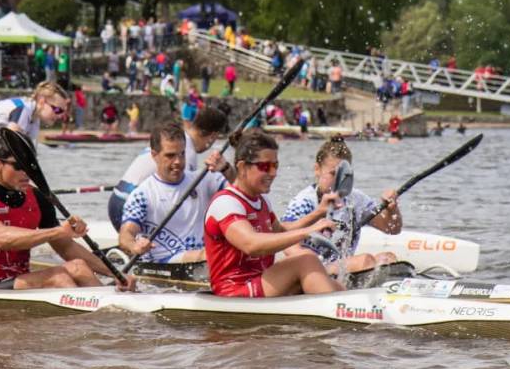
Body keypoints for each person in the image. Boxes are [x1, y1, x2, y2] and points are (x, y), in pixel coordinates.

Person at [0, 129, 135, 291]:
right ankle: (84, 323)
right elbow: (1, 238)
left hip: (19, 279)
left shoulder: (37, 198)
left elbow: (66, 247)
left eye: (30, 164)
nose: (26, 172)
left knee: (78, 266)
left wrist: (115, 274)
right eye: (19, 166)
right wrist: (58, 231)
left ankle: (107, 312)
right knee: (58, 278)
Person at [204, 129, 344, 298]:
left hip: (260, 281)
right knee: (307, 259)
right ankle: (340, 312)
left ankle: (355, 309)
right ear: (242, 167)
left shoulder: (261, 201)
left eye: (275, 166)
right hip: (234, 290)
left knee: (333, 283)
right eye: (265, 166)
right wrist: (309, 231)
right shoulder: (226, 203)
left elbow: (281, 231)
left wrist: (319, 213)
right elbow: (251, 245)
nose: (273, 173)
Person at [282, 138, 402, 275]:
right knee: (365, 261)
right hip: (313, 270)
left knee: (389, 258)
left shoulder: (356, 199)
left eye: (344, 175)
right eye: (333, 173)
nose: (338, 180)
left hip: (341, 267)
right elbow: (287, 244)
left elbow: (392, 229)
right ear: (317, 169)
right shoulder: (304, 201)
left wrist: (392, 208)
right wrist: (316, 269)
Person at [118, 120, 230, 263]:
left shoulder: (203, 179)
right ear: (154, 155)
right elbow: (125, 234)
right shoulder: (142, 194)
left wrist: (226, 168)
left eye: (182, 154)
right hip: (164, 261)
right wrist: (134, 246)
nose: (178, 161)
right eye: (170, 156)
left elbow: (242, 191)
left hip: (201, 257)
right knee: (211, 254)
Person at [107, 107, 228, 231]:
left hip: (116, 200)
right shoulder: (186, 151)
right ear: (213, 136)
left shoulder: (172, 139)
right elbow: (185, 198)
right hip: (129, 206)